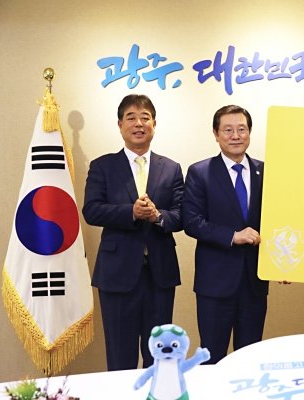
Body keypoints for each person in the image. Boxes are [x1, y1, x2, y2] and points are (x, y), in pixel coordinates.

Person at [83, 94, 184, 370]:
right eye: (131, 118)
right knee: (120, 357)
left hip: (160, 276)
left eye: (145, 118)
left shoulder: (171, 168)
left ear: (154, 124)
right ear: (120, 125)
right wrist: (131, 212)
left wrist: (157, 216)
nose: (139, 124)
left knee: (160, 356)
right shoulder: (103, 166)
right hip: (116, 276)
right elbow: (91, 210)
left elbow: (181, 216)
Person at [183, 105, 268, 364]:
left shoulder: (266, 172)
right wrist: (233, 236)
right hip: (215, 284)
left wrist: (284, 262)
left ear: (250, 132)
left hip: (254, 283)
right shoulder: (200, 172)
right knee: (212, 358)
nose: (235, 136)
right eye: (228, 130)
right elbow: (192, 222)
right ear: (216, 134)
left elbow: (277, 222)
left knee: (249, 358)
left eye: (241, 129)